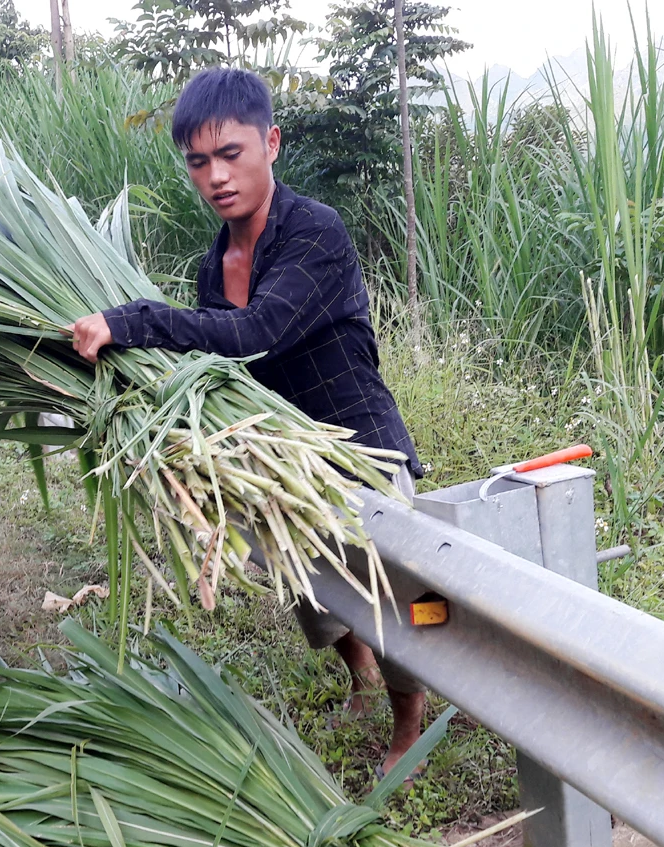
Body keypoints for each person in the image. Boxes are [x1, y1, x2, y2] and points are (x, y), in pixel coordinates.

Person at [69, 67, 428, 778]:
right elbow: (217, 363)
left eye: (231, 153)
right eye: (198, 161)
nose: (216, 177)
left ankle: (408, 722)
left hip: (356, 446)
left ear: (272, 143)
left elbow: (254, 333)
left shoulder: (315, 231)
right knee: (308, 592)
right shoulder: (215, 264)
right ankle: (357, 678)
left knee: (382, 598)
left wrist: (131, 321)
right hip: (278, 457)